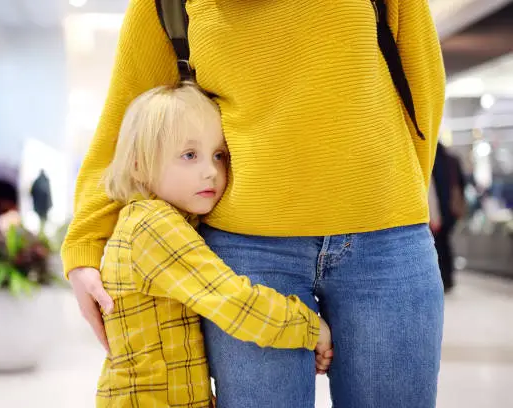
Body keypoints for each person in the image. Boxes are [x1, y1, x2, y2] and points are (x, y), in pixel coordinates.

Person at [62, 1, 446, 407]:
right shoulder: (164, 4)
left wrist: (390, 193)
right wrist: (85, 242)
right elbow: (129, 119)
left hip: (387, 239)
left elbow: (423, 89)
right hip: (247, 251)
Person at [96, 83, 333, 407]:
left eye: (218, 155)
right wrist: (310, 327)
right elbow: (235, 303)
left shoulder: (152, 221)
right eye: (189, 155)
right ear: (139, 164)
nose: (210, 171)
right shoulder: (155, 226)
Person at [431, 142, 466, 292]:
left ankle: (442, 279)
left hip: (436, 211)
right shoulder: (452, 160)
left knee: (438, 245)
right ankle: (449, 278)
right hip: (451, 211)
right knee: (446, 243)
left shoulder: (432, 160)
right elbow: (462, 183)